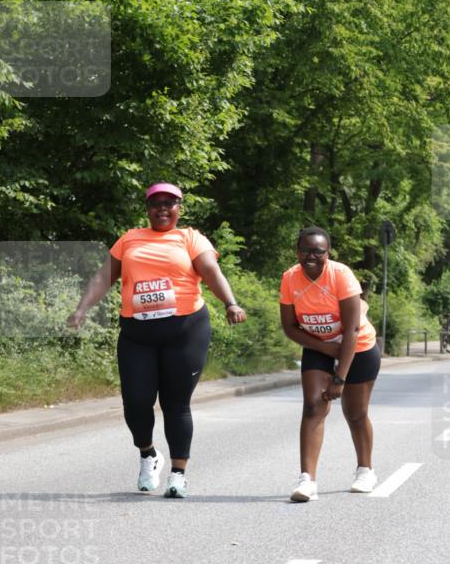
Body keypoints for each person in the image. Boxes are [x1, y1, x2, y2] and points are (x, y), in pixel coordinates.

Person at [67, 182, 246, 497]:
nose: (162, 208)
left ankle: (178, 474)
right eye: (156, 203)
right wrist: (82, 309)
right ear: (147, 208)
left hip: (185, 331)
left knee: (176, 404)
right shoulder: (129, 239)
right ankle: (148, 454)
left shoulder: (190, 238)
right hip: (138, 333)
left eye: (170, 203)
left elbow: (212, 271)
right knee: (136, 402)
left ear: (179, 207)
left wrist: (230, 302)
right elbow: (103, 277)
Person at [279, 226, 381, 502]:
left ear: (328, 253)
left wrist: (339, 379)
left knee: (355, 412)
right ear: (297, 251)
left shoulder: (340, 275)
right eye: (305, 250)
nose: (311, 256)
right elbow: (289, 327)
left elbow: (352, 330)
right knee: (313, 406)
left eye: (318, 251)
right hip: (319, 345)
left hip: (357, 347)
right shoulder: (290, 278)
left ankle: (365, 470)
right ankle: (307, 480)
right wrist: (325, 347)